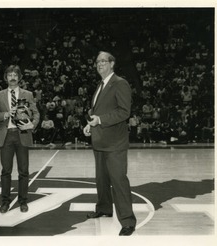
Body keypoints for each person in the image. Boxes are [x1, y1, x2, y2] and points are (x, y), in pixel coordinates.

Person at [83, 51, 136, 236]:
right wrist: (90, 124)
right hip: (99, 141)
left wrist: (100, 120)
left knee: (119, 181)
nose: (99, 64)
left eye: (103, 61)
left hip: (115, 143)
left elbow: (124, 112)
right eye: (97, 62)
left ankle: (128, 221)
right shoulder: (100, 85)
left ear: (112, 64)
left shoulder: (120, 83)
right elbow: (97, 111)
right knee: (102, 180)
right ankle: (104, 208)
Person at [0, 65, 40, 214]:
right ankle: (5, 201)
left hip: (22, 135)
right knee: (6, 171)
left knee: (23, 171)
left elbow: (36, 113)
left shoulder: (28, 94)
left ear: (19, 78)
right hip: (6, 135)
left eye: (15, 75)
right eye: (9, 75)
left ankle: (23, 201)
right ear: (6, 77)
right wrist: (6, 114)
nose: (12, 77)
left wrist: (33, 124)